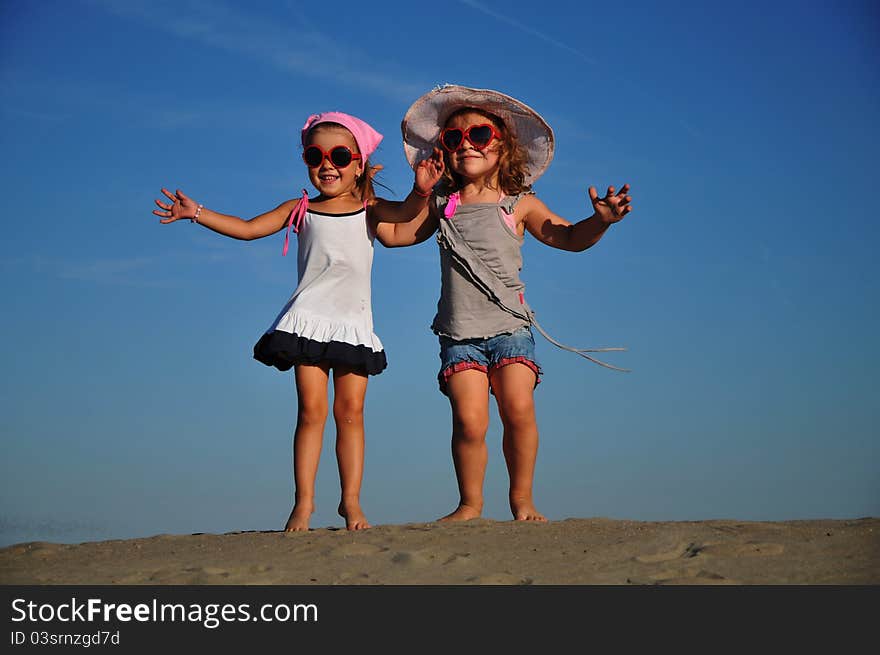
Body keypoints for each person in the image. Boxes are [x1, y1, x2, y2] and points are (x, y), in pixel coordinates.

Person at [152, 112, 442, 531]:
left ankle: (351, 503)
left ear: (358, 163)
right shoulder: (301, 209)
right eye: (315, 155)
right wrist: (196, 212)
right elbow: (249, 229)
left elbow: (405, 213)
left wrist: (421, 190)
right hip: (308, 322)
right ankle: (303, 504)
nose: (327, 164)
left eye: (340, 155)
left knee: (352, 413)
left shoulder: (370, 210)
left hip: (353, 325)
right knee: (311, 412)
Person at [385, 84, 634, 522]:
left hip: (510, 332)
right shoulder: (443, 204)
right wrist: (376, 204)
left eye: (478, 136)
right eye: (453, 138)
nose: (466, 145)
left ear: (504, 145)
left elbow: (568, 238)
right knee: (470, 422)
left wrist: (600, 221)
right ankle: (470, 504)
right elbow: (396, 236)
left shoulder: (518, 204)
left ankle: (522, 501)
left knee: (518, 411)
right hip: (459, 336)